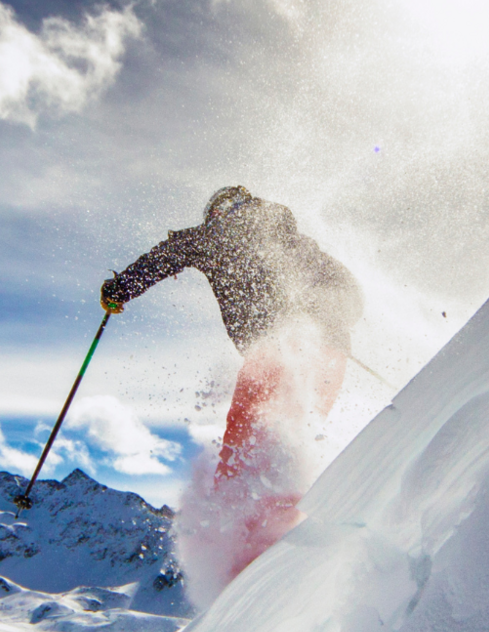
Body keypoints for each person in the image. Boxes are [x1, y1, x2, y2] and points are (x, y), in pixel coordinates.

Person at [100, 186, 362, 600]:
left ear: (221, 211)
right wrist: (329, 319)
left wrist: (121, 289)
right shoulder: (293, 239)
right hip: (330, 355)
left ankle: (244, 566)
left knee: (245, 445)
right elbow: (348, 289)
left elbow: (171, 253)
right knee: (289, 439)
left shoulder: (219, 234)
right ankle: (286, 533)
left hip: (278, 351)